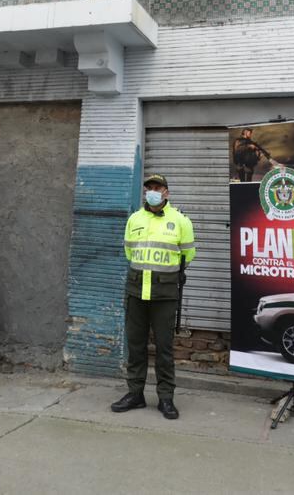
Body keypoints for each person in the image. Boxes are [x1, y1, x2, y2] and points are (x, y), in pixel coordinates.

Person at [112, 174, 196, 420]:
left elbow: (187, 255)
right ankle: (135, 394)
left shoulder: (181, 221)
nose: (152, 191)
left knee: (164, 349)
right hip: (137, 290)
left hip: (165, 293)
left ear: (166, 192)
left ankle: (166, 398)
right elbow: (130, 251)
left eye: (157, 188)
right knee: (135, 346)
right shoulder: (134, 219)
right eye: (149, 188)